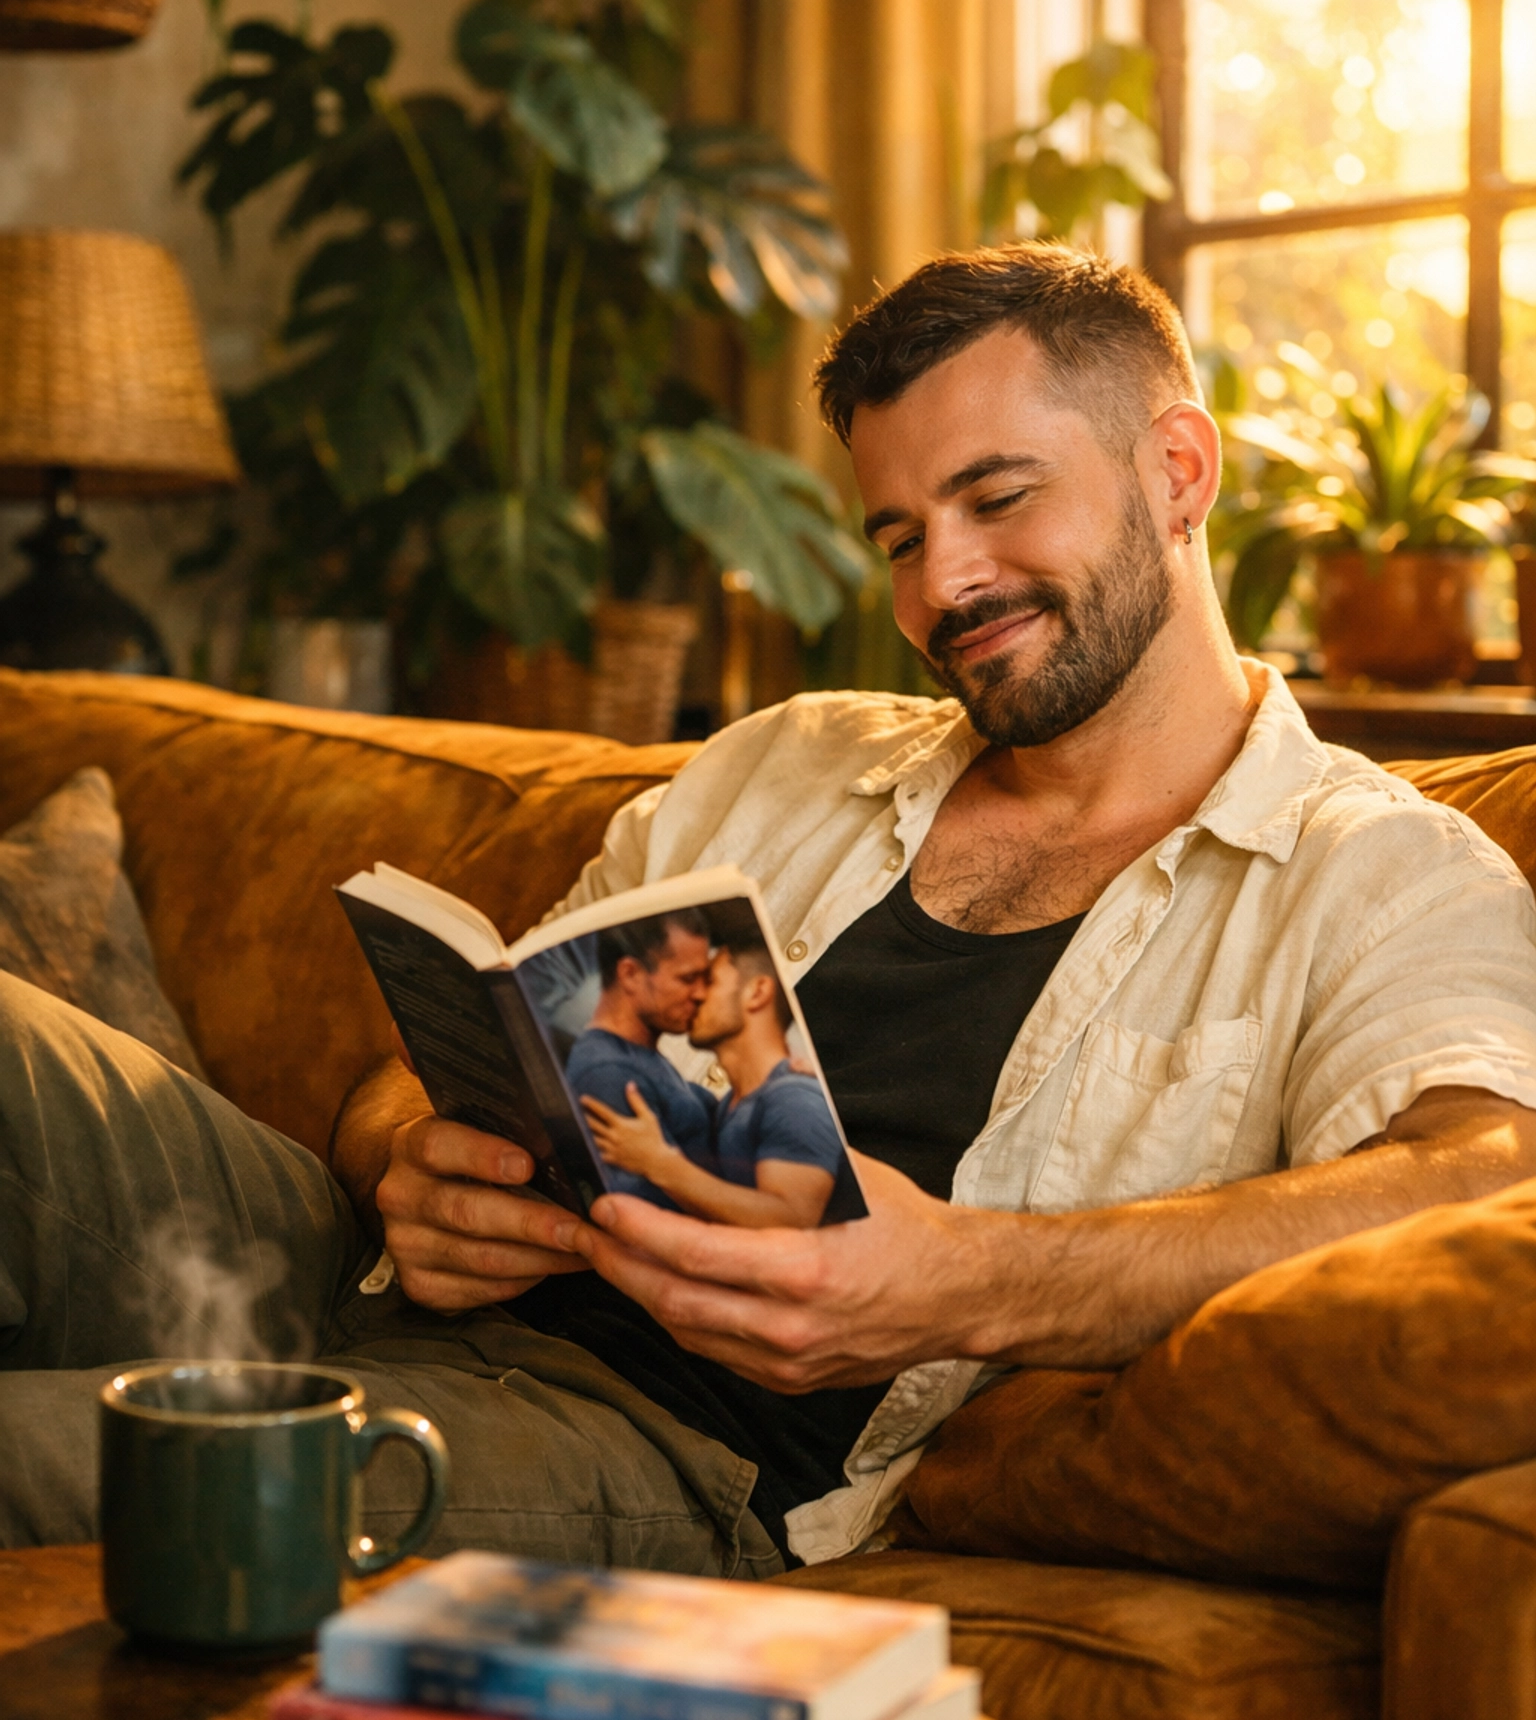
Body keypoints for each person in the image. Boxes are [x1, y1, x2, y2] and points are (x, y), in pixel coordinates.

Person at [7, 242, 1536, 1575]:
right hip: (358, 1271)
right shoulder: (786, 763)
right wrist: (402, 1154)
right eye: (897, 536)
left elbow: (1482, 1180)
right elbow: (476, 1031)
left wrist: (972, 1280)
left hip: (647, 1443)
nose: (944, 584)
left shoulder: (1372, 867)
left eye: (999, 499)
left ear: (1179, 471)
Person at [581, 925, 851, 1230]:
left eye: (709, 981)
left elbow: (792, 1219)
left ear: (757, 992)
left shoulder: (796, 1099)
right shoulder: (728, 1107)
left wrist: (660, 1164)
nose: (694, 995)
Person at [560, 913, 717, 1211]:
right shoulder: (609, 1073)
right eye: (687, 978)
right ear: (630, 974)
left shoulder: (641, 1056)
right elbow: (647, 1217)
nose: (700, 993)